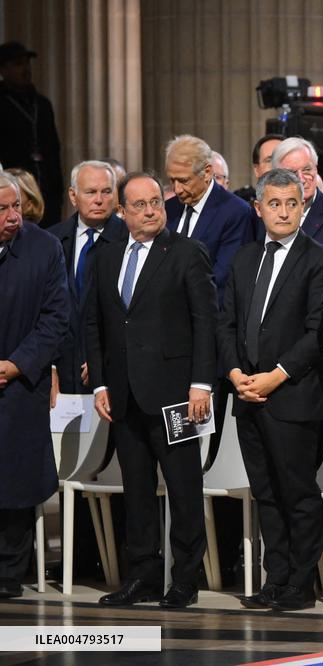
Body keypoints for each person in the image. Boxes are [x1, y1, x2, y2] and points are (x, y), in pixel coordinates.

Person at [85, 172, 216, 609]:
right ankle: (141, 575)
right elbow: (94, 322)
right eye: (138, 205)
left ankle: (185, 578)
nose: (149, 211)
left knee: (183, 487)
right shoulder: (106, 256)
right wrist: (101, 382)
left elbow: (205, 323)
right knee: (136, 490)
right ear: (122, 212)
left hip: (178, 395)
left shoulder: (186, 253)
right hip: (123, 394)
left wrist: (201, 384)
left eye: (155, 202)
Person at [218, 169, 323, 612]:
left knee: (297, 493)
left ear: (303, 207)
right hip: (246, 394)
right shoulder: (245, 258)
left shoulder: (320, 258)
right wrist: (233, 373)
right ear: (259, 207)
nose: (284, 212)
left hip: (294, 396)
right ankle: (275, 578)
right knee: (265, 492)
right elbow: (226, 321)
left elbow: (318, 330)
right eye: (275, 203)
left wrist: (277, 374)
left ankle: (300, 585)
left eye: (292, 203)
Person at [0, 171, 69, 599]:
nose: (13, 216)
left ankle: (10, 569)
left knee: (15, 479)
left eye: (15, 206)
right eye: (3, 209)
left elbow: (56, 318)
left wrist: (14, 365)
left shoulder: (44, 248)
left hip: (21, 385)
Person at [47, 161, 127, 395]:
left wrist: (103, 356)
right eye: (91, 192)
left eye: (106, 191)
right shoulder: (52, 241)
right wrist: (50, 364)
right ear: (73, 196)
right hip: (60, 369)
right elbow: (45, 309)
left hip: (113, 373)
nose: (99, 200)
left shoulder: (129, 240)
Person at [164, 135, 256, 300]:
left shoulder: (235, 212)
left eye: (184, 181)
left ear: (207, 172)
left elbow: (223, 280)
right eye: (172, 180)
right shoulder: (168, 209)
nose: (177, 189)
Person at [0, 42, 62, 227]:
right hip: (13, 186)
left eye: (27, 63)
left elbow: (53, 147)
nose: (26, 69)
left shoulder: (41, 104)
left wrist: (57, 190)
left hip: (46, 190)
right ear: (3, 69)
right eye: (18, 64)